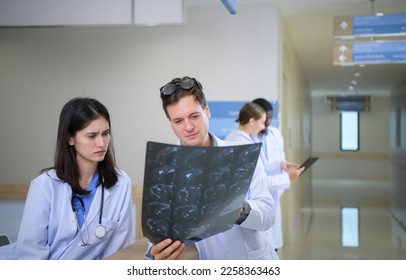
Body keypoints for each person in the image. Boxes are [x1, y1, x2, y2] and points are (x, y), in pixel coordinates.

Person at [146, 76, 278, 260]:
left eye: (194, 116)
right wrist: (156, 255)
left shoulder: (241, 155)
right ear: (170, 123)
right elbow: (156, 239)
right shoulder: (164, 172)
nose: (188, 127)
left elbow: (268, 215)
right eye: (178, 121)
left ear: (207, 111)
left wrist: (239, 210)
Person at [0, 97, 134, 260]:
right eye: (91, 136)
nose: (102, 143)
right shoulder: (44, 186)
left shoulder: (120, 183)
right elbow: (31, 257)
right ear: (70, 138)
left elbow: (117, 254)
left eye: (105, 133)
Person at [251, 98, 304, 251]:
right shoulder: (245, 139)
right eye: (264, 118)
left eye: (270, 117)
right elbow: (258, 179)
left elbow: (275, 159)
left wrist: (283, 164)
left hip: (273, 198)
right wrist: (287, 177)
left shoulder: (274, 133)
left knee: (272, 247)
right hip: (255, 202)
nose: (267, 122)